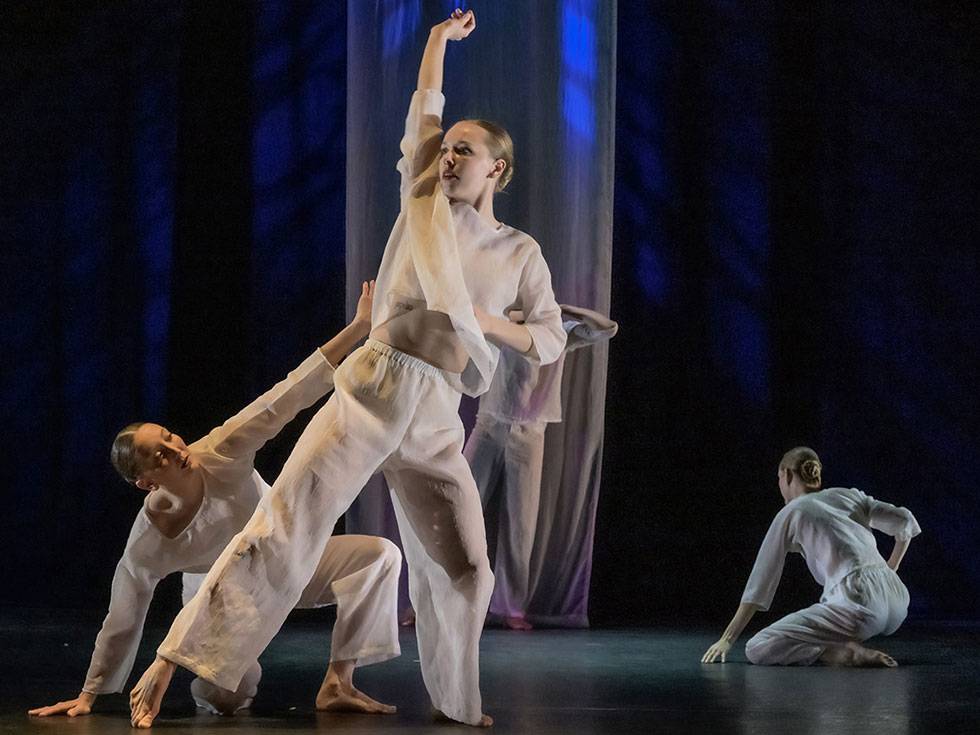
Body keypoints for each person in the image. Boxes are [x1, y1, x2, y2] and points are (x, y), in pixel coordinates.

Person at [129, 8, 565, 728]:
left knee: (470, 570)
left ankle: (458, 702)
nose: (451, 157)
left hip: (434, 415)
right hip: (375, 386)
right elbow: (426, 113)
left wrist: (487, 322)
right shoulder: (421, 198)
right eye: (448, 148)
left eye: (467, 151)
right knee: (285, 524)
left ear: (499, 168)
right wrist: (434, 43)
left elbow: (547, 338)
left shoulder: (520, 253)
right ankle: (170, 663)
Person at [30, 282, 401, 721]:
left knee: (379, 556)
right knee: (226, 698)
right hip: (225, 599)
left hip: (291, 556)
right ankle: (215, 684)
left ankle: (339, 681)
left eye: (168, 437)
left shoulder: (220, 451)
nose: (175, 450)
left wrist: (359, 326)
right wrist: (90, 694)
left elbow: (285, 397)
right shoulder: (149, 542)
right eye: (159, 456)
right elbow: (124, 618)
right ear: (146, 482)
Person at [467, 305, 617, 629]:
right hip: (489, 424)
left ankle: (511, 607)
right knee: (459, 508)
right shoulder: (500, 318)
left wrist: (564, 310)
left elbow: (607, 329)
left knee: (521, 524)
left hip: (530, 432)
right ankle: (434, 599)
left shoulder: (557, 330)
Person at [701, 446, 920, 667]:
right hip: (898, 600)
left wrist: (726, 639)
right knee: (836, 614)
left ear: (786, 475)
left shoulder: (791, 511)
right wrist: (891, 569)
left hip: (857, 605)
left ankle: (842, 654)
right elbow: (905, 521)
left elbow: (760, 583)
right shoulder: (849, 495)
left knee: (758, 646)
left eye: (779, 478)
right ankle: (846, 641)